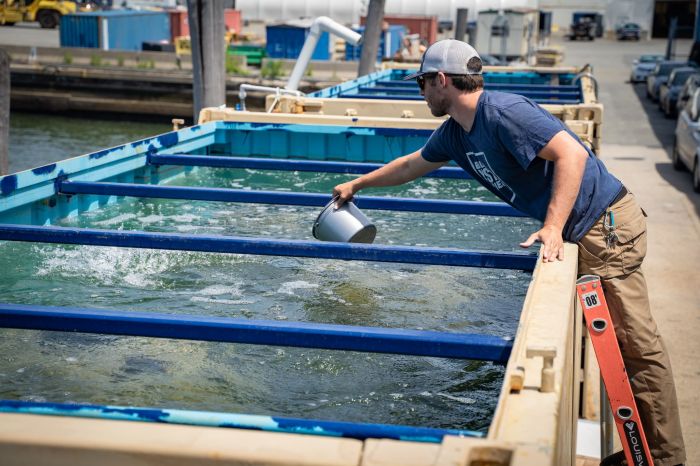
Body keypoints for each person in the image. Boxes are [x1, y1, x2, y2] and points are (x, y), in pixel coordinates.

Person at [332, 39, 685, 466]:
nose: (420, 91)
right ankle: (640, 453)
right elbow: (411, 165)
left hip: (604, 228)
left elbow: (572, 153)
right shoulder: (456, 134)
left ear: (442, 80)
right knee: (618, 346)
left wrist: (553, 227)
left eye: (423, 82)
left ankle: (664, 459)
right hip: (587, 230)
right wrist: (358, 185)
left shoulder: (502, 112)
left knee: (635, 347)